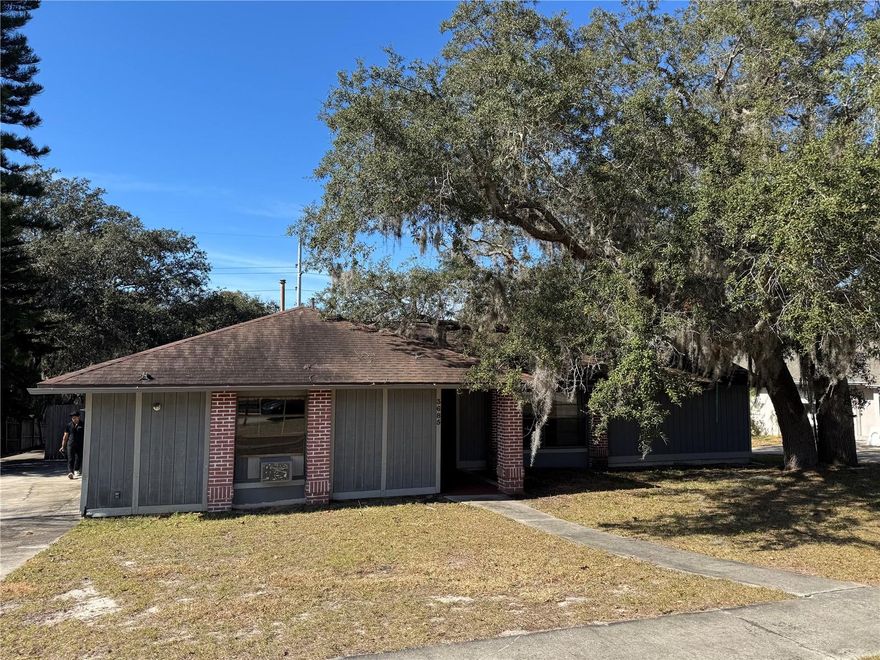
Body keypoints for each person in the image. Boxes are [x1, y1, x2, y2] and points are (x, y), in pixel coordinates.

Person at [61, 411, 85, 479]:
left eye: (75, 418)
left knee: (79, 458)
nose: (74, 419)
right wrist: (63, 446)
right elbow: (65, 436)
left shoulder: (83, 425)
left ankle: (76, 470)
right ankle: (70, 472)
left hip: (80, 444)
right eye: (72, 418)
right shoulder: (69, 425)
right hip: (70, 444)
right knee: (70, 458)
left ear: (78, 417)